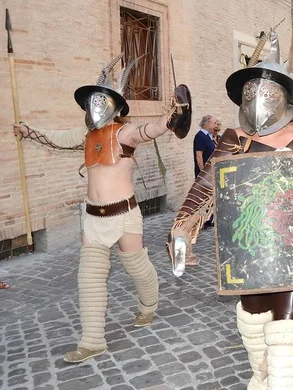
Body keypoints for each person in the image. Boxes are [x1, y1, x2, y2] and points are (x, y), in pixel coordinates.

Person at [168, 28, 293, 390]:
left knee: (289, 334)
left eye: (267, 91)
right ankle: (261, 382)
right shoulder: (233, 137)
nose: (258, 98)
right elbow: (207, 183)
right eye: (251, 91)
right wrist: (184, 223)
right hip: (248, 250)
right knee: (255, 327)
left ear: (285, 96)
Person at [14, 54, 191, 363]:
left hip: (124, 215)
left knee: (136, 266)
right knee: (90, 278)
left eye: (101, 101)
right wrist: (28, 130)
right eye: (92, 102)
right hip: (93, 217)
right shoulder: (85, 135)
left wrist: (171, 118)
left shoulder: (124, 133)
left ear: (115, 105)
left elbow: (148, 130)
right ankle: (93, 341)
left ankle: (149, 305)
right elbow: (55, 138)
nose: (95, 107)